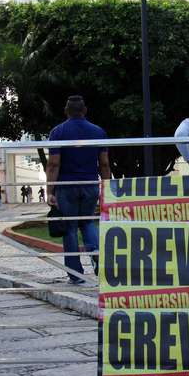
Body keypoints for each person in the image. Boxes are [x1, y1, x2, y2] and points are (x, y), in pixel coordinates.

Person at [46, 95, 111, 285]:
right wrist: (106, 187)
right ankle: (101, 264)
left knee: (71, 228)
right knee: (89, 223)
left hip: (66, 187)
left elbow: (53, 164)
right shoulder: (98, 132)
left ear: (66, 111)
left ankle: (75, 274)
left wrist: (50, 190)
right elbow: (104, 163)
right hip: (90, 185)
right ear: (85, 110)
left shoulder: (57, 132)